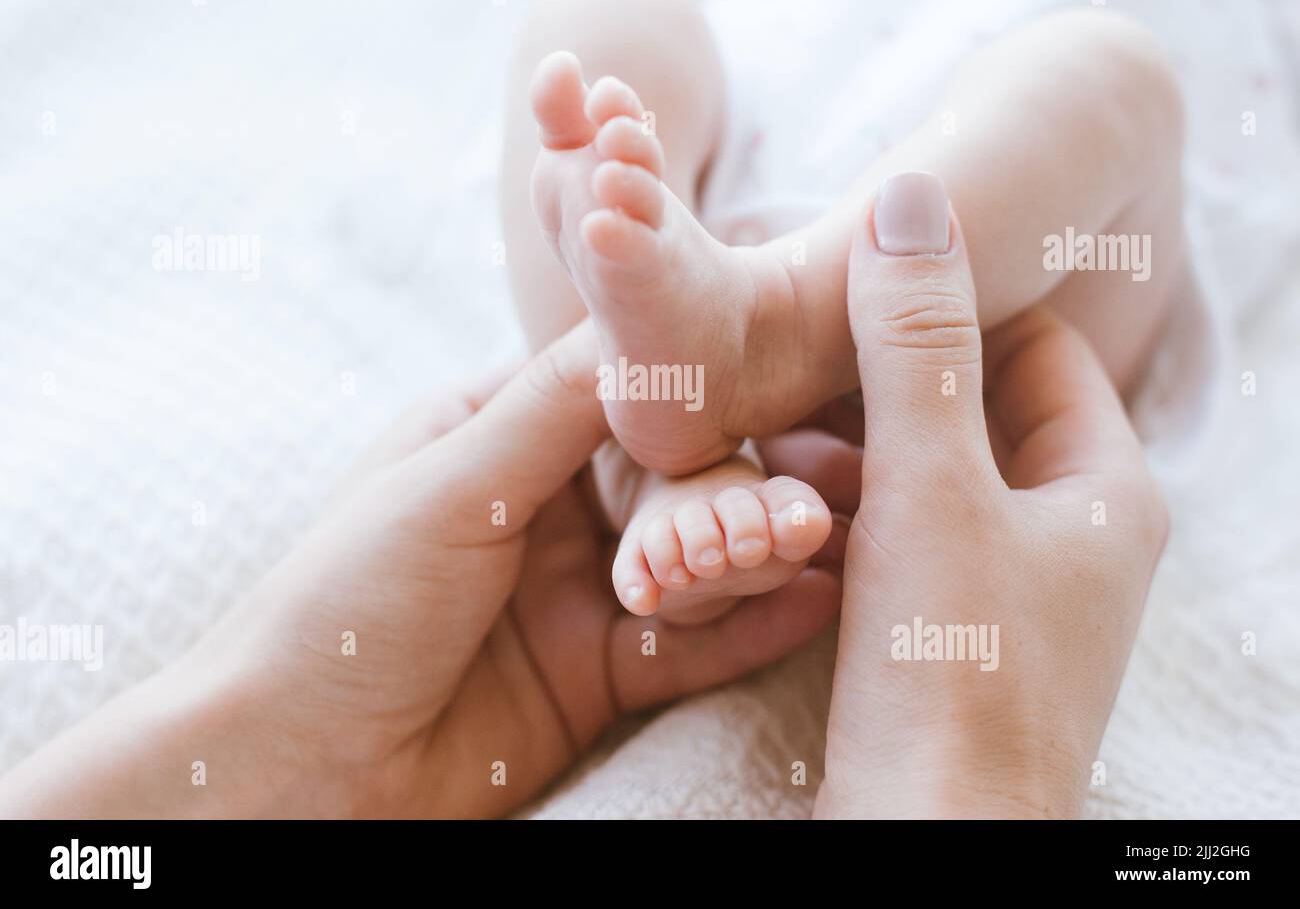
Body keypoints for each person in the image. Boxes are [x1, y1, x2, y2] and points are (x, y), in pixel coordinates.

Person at [0, 175, 1168, 818]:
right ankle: (717, 362)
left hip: (741, 241)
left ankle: (673, 410)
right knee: (610, 24)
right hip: (760, 218)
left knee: (607, 16)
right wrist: (971, 779)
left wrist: (267, 753)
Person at [500, 0, 1182, 621]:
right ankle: (642, 437)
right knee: (614, 0)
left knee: (1119, 78)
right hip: (717, 175)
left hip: (1003, 282)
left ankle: (767, 336)